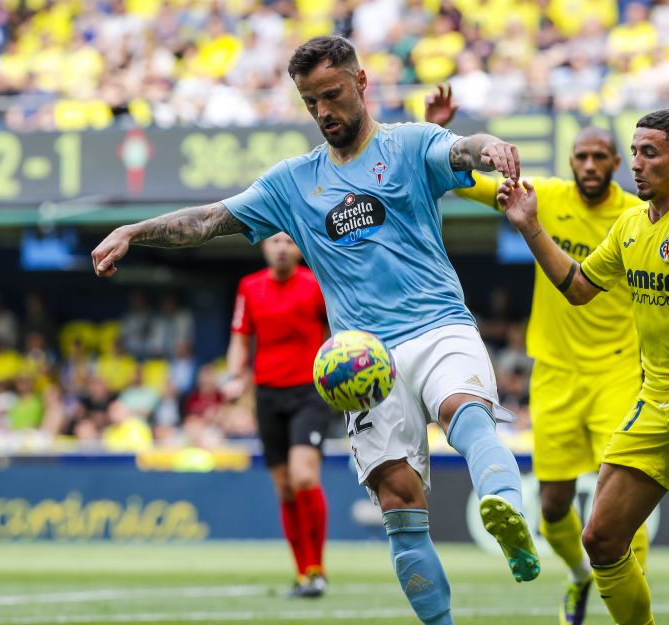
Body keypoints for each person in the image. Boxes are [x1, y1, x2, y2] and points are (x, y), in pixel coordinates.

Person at [91, 35, 539, 625]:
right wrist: (134, 230)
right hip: (363, 359)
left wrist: (492, 150)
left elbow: (462, 149)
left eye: (332, 95)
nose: (324, 112)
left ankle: (505, 508)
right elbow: (209, 219)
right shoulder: (292, 182)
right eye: (311, 103)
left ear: (361, 83)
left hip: (437, 325)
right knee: (399, 503)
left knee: (462, 408)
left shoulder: (409, 144)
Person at [498, 108, 669, 625]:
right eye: (634, 151)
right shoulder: (630, 224)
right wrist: (532, 227)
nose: (636, 163)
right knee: (600, 538)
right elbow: (579, 288)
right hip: (655, 398)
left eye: (649, 153)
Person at [426, 84, 647, 625]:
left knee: (620, 505)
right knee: (551, 510)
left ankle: (631, 610)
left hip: (619, 369)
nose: (590, 165)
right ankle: (578, 578)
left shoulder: (639, 215)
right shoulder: (541, 195)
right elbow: (464, 182)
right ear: (571, 162)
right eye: (582, 157)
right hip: (555, 374)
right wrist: (439, 134)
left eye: (600, 157)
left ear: (617, 163)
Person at [223, 232, 331, 598]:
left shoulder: (317, 284)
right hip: (267, 394)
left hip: (310, 391)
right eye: (274, 241)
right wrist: (235, 376)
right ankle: (303, 573)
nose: (282, 247)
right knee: (284, 487)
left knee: (303, 477)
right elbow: (240, 337)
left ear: (300, 247)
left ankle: (317, 568)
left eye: (288, 240)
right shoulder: (249, 287)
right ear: (264, 247)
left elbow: (338, 329)